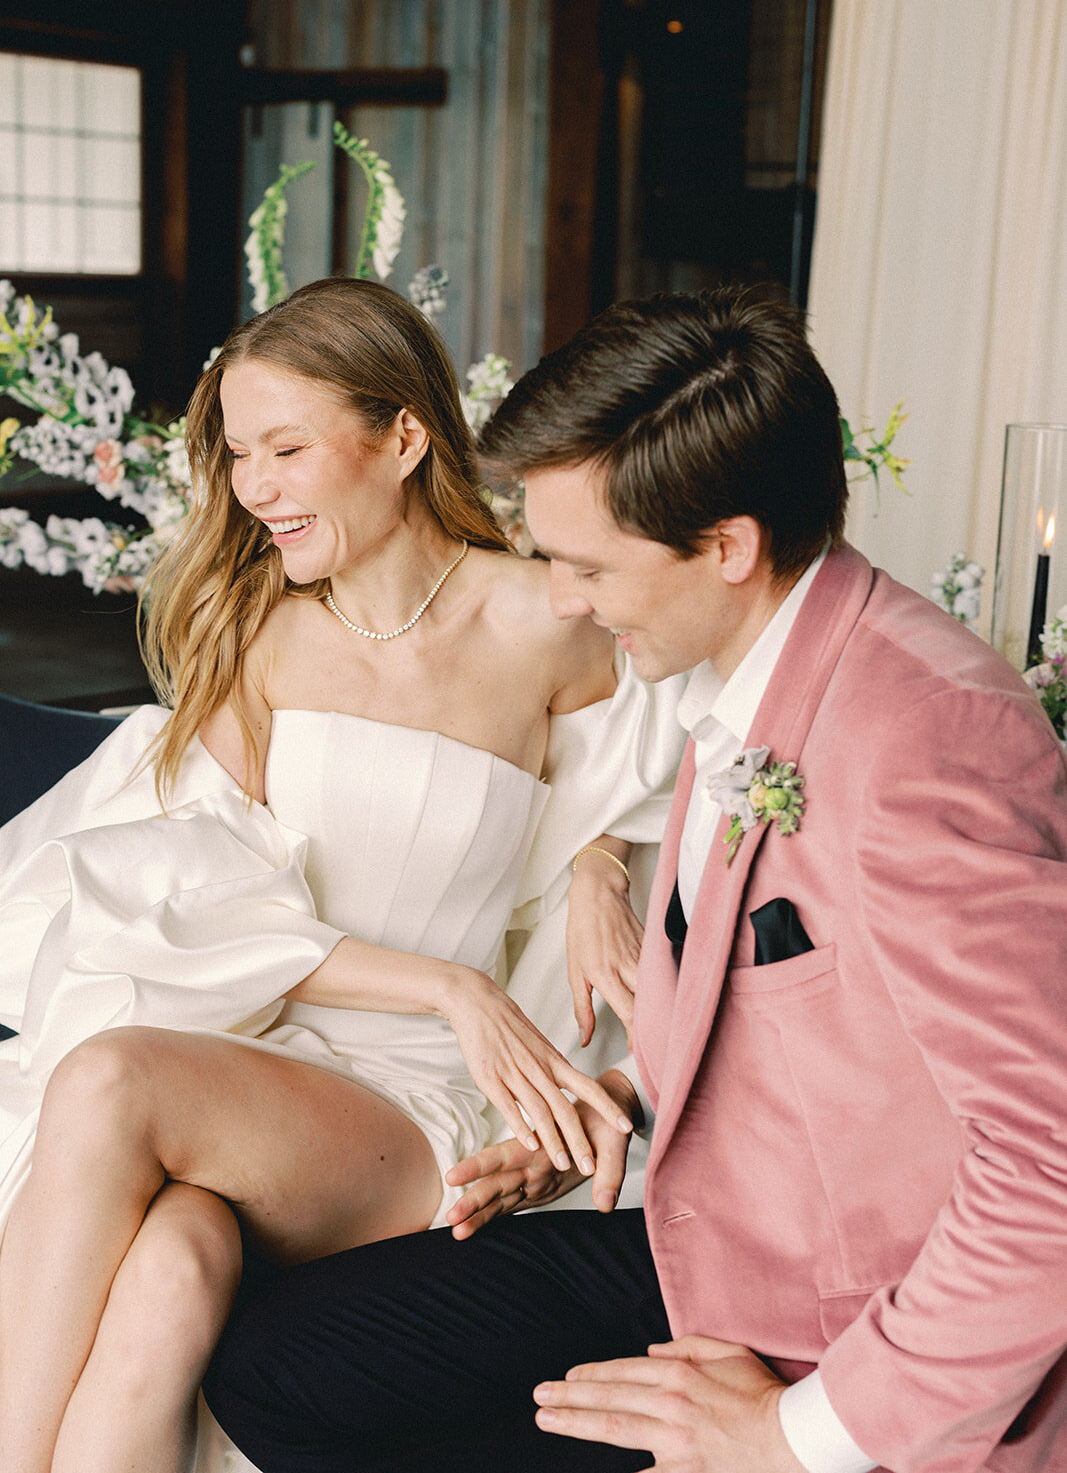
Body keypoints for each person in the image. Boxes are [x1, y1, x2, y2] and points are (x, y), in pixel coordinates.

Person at [206, 284, 1067, 1473]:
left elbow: (1050, 1164)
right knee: (276, 1364)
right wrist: (608, 1111)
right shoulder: (734, 677)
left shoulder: (924, 735)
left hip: (840, 1330)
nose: (558, 600)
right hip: (698, 1242)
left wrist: (793, 1435)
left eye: (585, 567)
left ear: (725, 547)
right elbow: (827, 1036)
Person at [0, 277, 685, 1473]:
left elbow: (659, 766)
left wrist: (598, 867)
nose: (254, 486)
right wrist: (440, 982)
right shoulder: (256, 634)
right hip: (261, 1048)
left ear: (404, 436)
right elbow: (198, 889)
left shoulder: (549, 615)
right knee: (172, 1265)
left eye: (286, 447)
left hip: (414, 1100)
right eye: (237, 454)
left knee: (111, 1083)